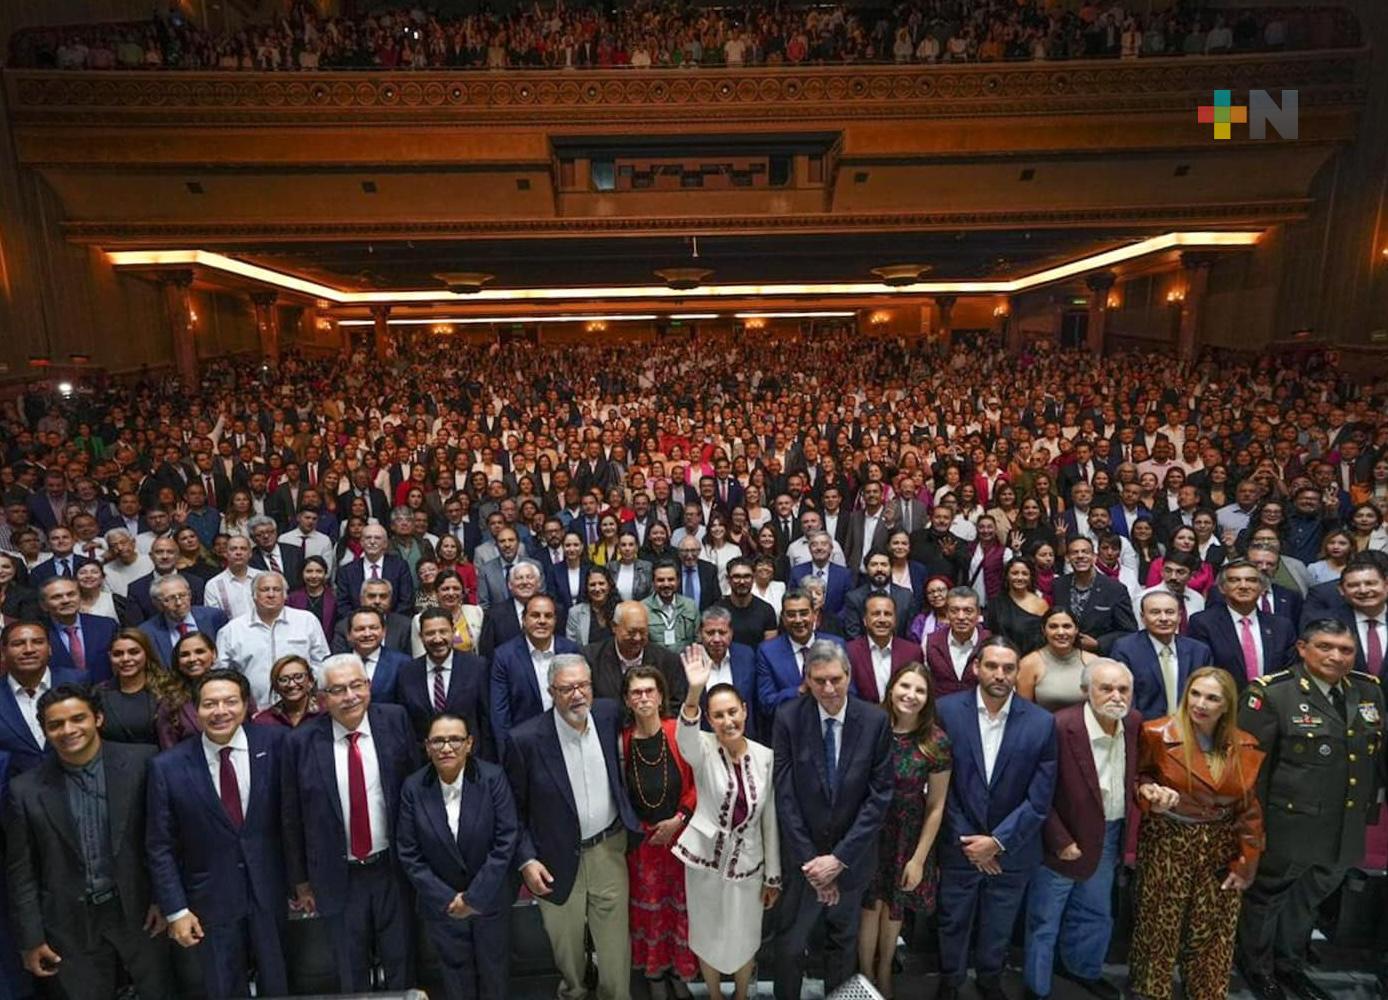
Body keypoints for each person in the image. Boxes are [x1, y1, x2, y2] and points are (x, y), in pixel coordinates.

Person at [1235, 619, 1387, 1000]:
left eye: (1346, 649)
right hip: (1288, 823)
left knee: (1309, 898)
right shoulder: (1272, 694)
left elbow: (1373, 759)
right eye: (1325, 647)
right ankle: (1256, 966)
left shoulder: (1368, 691)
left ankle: (1290, 963)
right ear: (1302, 649)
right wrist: (1252, 827)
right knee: (1268, 897)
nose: (1336, 656)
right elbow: (1251, 772)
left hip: (1344, 825)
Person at [2, 683, 173, 998]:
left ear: (98, 718)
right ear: (45, 731)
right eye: (56, 724)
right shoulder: (24, 790)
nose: (68, 730)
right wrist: (32, 939)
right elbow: (21, 872)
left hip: (141, 913)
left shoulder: (144, 762)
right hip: (69, 925)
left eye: (77, 718)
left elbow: (166, 841)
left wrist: (166, 901)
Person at [145, 668, 290, 999]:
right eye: (210, 704)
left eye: (230, 702)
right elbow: (160, 846)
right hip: (209, 900)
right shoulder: (167, 766)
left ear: (246, 705)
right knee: (223, 987)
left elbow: (293, 818)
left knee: (279, 983)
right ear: (196, 709)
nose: (220, 711)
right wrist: (176, 909)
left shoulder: (277, 744)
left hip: (272, 890)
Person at [281, 653, 420, 992]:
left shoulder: (396, 720)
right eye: (338, 689)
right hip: (337, 874)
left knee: (402, 960)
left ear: (368, 686)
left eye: (357, 685)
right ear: (321, 698)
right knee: (350, 966)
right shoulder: (300, 742)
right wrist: (300, 881)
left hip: (393, 868)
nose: (350, 696)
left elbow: (418, 793)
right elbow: (291, 815)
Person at [504, 654, 639, 1000]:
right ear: (551, 692)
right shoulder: (525, 740)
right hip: (553, 859)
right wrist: (526, 860)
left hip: (608, 849)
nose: (577, 695)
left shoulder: (607, 715)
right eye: (567, 688)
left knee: (615, 946)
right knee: (566, 945)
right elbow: (513, 811)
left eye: (583, 686)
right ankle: (574, 993)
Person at [1130, 666, 1265, 1000]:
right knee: (1159, 922)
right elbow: (1139, 777)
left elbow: (1248, 807)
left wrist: (1247, 861)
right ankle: (1151, 991)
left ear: (1227, 705)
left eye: (1212, 698)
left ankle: (1207, 992)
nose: (1201, 704)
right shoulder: (1156, 733)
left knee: (1215, 926)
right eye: (1195, 694)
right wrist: (1148, 793)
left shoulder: (1245, 744)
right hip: (1169, 838)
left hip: (1221, 841)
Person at [934, 637, 1058, 1000]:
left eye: (1008, 668)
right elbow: (940, 787)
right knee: (952, 920)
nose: (999, 674)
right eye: (991, 666)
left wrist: (998, 842)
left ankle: (989, 980)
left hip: (1012, 850)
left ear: (1018, 672)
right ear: (976, 667)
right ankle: (950, 981)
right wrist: (971, 843)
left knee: (999, 925)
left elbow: (1040, 798)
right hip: (959, 844)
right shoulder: (946, 711)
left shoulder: (1041, 723)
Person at [771, 640, 893, 1000]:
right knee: (791, 945)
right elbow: (785, 796)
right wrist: (814, 865)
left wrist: (838, 860)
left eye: (835, 680)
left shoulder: (874, 721)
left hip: (851, 861)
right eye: (819, 680)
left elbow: (879, 796)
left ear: (849, 675)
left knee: (843, 947)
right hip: (803, 863)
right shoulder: (789, 718)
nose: (828, 689)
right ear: (806, 679)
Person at [1023, 659, 1139, 1000]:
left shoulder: (1133, 722)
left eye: (1123, 689)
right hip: (1063, 837)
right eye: (1106, 688)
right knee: (1044, 919)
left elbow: (1139, 772)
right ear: (1086, 690)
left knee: (1096, 911)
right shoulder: (1059, 726)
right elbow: (1037, 790)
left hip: (1110, 834)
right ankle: (1036, 987)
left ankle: (1083, 969)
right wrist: (1059, 838)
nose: (1116, 696)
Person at [676, 643, 780, 1000]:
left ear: (745, 711)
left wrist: (772, 876)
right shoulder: (702, 748)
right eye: (718, 715)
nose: (727, 721)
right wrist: (694, 692)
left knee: (745, 937)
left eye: (732, 712)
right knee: (708, 935)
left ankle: (740, 994)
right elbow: (685, 738)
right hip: (705, 863)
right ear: (709, 719)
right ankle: (715, 995)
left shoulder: (766, 757)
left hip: (749, 866)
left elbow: (769, 820)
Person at [396, 712, 519, 1000]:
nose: (446, 748)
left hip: (489, 900)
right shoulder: (413, 787)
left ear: (469, 744)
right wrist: (448, 899)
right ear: (427, 747)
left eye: (455, 740)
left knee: (495, 974)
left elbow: (506, 839)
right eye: (438, 741)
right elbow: (409, 852)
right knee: (455, 980)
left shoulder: (492, 777)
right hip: (443, 906)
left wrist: (474, 898)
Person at [857, 662, 951, 998]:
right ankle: (865, 973)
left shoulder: (935, 740)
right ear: (891, 689)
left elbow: (936, 805)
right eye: (905, 686)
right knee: (870, 905)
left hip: (907, 836)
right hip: (869, 831)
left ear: (928, 698)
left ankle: (885, 969)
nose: (911, 695)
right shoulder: (870, 726)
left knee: (894, 906)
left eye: (920, 690)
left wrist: (919, 859)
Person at [620, 666, 698, 998]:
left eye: (649, 691)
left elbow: (698, 783)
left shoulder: (677, 732)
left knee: (681, 913)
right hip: (643, 847)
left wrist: (679, 819)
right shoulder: (622, 741)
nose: (643, 698)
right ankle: (655, 979)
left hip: (680, 842)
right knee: (650, 917)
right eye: (636, 692)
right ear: (627, 700)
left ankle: (680, 976)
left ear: (661, 695)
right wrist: (642, 830)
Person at [215, 571, 330, 707]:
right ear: (254, 595)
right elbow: (221, 673)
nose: (271, 594)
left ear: (285, 595)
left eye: (276, 589)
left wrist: (308, 687)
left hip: (303, 707)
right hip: (254, 710)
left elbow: (322, 663)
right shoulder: (232, 630)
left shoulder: (307, 621)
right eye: (265, 590)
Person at [1188, 558, 1298, 692]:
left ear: (1262, 588)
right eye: (1234, 580)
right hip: (1223, 700)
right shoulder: (1203, 623)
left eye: (1251, 580)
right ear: (1222, 588)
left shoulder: (1281, 626)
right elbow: (1202, 671)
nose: (1243, 586)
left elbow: (1290, 672)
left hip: (1272, 701)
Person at [1113, 590, 1213, 720]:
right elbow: (1124, 697)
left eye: (1170, 612)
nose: (1164, 619)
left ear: (1179, 616)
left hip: (1190, 726)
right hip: (1144, 727)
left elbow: (1206, 694)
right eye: (1155, 612)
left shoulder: (1199, 651)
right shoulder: (1125, 649)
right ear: (1142, 617)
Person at [0, 620, 84, 774]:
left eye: (38, 642)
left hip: (77, 780)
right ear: (3, 652)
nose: (29, 649)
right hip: (14, 786)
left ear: (50, 648)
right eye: (18, 644)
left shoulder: (78, 681)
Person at [755, 589, 846, 722]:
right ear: (783, 618)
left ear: (814, 615)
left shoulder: (836, 645)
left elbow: (849, 692)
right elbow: (766, 703)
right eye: (791, 615)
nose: (798, 620)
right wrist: (800, 690)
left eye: (803, 613)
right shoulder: (767, 652)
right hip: (789, 727)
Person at [585, 600, 686, 710]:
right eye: (631, 632)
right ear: (614, 627)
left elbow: (675, 705)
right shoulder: (591, 658)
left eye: (643, 632)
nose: (637, 638)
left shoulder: (668, 661)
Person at [1051, 536, 1137, 655]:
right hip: (1064, 654)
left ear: (1094, 557)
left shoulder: (1115, 589)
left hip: (1100, 657)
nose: (1080, 556)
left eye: (1085, 552)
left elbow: (1128, 630)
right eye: (1075, 552)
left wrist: (1099, 644)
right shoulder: (1058, 585)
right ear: (1067, 558)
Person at [845, 592, 923, 703]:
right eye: (876, 614)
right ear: (865, 620)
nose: (882, 619)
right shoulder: (849, 651)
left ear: (895, 620)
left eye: (887, 614)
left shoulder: (912, 652)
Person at [97, 627, 169, 745]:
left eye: (134, 652)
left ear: (146, 653)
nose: (125, 659)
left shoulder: (167, 689)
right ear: (110, 657)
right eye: (118, 654)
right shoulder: (99, 694)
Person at [137, 572, 226, 667]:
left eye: (183, 595)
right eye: (170, 599)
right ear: (157, 603)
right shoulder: (147, 632)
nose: (179, 603)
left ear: (190, 595)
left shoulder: (214, 617)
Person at [40, 575, 117, 683]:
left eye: (71, 594)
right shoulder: (38, 634)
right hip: (60, 692)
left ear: (80, 597)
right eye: (57, 597)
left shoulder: (107, 626)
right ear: (44, 605)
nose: (66, 600)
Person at [1017, 607, 1094, 711]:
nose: (1061, 632)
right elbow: (1023, 711)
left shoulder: (1093, 662)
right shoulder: (1028, 664)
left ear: (1076, 630)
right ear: (1044, 630)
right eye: (1053, 627)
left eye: (1067, 626)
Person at [156, 631, 219, 748]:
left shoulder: (234, 688)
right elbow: (169, 749)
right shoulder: (170, 701)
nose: (192, 659)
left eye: (199, 651)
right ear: (178, 662)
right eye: (185, 655)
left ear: (213, 654)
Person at [925, 587, 990, 698]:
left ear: (978, 613)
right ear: (947, 613)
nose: (961, 617)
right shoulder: (932, 641)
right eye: (954, 611)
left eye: (968, 611)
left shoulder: (989, 642)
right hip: (941, 706)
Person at [985, 556, 1049, 655]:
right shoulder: (996, 603)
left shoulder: (1041, 604)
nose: (1020, 578)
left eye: (1025, 574)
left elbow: (1045, 638)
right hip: (1001, 657)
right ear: (1007, 576)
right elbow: (990, 634)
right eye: (1015, 573)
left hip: (1031, 659)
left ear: (1030, 577)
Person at [251, 653, 321, 728]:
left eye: (298, 677)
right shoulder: (263, 721)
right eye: (284, 680)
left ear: (310, 681)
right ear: (276, 687)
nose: (291, 684)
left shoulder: (325, 711)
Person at [286, 554, 337, 638]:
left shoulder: (334, 598)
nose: (314, 576)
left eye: (319, 571)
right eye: (309, 571)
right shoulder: (292, 598)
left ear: (325, 574)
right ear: (302, 573)